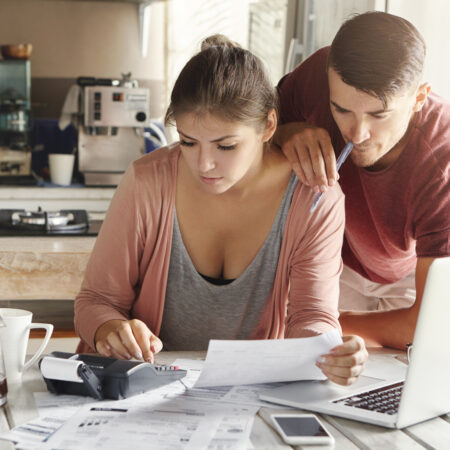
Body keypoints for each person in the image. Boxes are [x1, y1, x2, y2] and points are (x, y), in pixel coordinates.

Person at [75, 35, 367, 386]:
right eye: (187, 142)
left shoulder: (314, 199)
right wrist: (112, 328)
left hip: (246, 392)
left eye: (225, 145)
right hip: (137, 391)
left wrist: (327, 353)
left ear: (268, 127)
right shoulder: (147, 181)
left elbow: (312, 315)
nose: (204, 164)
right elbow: (95, 301)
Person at [275, 12, 450, 350]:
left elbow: (427, 324)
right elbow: (253, 130)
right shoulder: (318, 74)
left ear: (418, 98)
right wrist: (285, 133)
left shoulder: (442, 160)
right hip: (334, 259)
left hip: (410, 278)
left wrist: (322, 322)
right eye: (341, 110)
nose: (356, 134)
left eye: (378, 115)